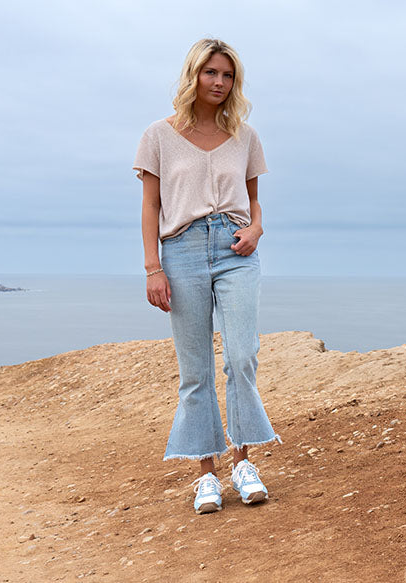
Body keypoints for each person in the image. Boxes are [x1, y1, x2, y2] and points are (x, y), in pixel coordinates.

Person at [132, 38, 281, 514]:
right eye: (211, 73)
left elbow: (253, 198)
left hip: (237, 249)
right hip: (182, 251)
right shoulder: (159, 134)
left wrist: (257, 228)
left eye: (228, 75)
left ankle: (243, 463)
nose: (219, 82)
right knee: (195, 369)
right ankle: (206, 475)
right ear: (193, 75)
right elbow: (151, 206)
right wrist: (153, 268)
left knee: (241, 357)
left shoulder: (245, 135)